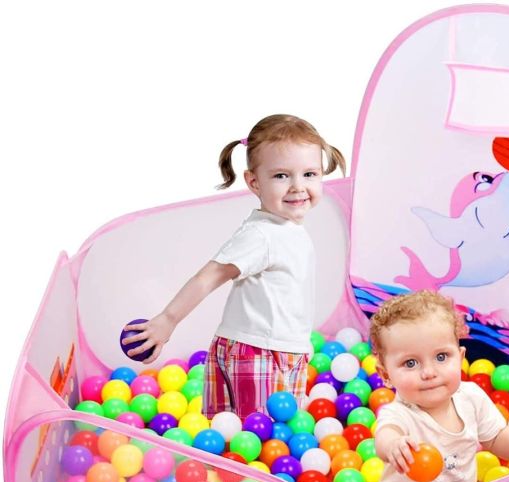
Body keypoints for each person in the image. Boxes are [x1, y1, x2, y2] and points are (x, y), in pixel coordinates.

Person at [123, 114, 345, 419]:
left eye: (309, 174)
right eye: (281, 176)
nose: (298, 186)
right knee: (259, 437)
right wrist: (167, 320)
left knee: (242, 435)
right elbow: (208, 277)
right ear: (254, 181)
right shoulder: (262, 234)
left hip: (273, 350)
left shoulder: (286, 229)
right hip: (259, 353)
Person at [369, 290, 509, 482]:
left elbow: (496, 438)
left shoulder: (471, 398)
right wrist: (394, 445)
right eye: (410, 363)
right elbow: (386, 436)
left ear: (460, 358)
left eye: (441, 357)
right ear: (386, 375)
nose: (429, 373)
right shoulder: (399, 413)